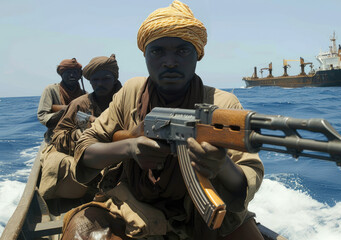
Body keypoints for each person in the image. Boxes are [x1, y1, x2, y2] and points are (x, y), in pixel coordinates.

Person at [62, 1, 264, 239]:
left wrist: (222, 166)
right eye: (157, 51)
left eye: (182, 50)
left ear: (197, 54)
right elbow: (86, 147)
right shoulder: (132, 92)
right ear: (145, 55)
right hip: (132, 207)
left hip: (202, 215)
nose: (169, 62)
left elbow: (248, 173)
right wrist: (129, 148)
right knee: (82, 229)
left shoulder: (222, 105)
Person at [39, 54, 122, 200]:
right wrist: (79, 134)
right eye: (95, 80)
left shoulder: (127, 101)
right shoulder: (79, 103)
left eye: (106, 79)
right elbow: (57, 135)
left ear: (115, 79)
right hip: (87, 154)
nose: (100, 83)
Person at [37, 58, 86, 144]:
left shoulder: (85, 95)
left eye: (75, 72)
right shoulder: (51, 90)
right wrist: (66, 110)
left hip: (80, 137)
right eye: (68, 72)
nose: (72, 75)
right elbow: (42, 116)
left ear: (79, 75)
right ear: (61, 74)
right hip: (55, 137)